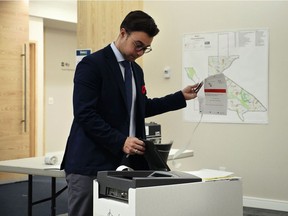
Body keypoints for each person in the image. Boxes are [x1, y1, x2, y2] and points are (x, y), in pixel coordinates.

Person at [60, 10, 199, 216]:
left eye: (146, 48)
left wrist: (179, 96)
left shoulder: (135, 70)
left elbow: (142, 107)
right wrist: (120, 140)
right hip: (89, 163)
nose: (140, 52)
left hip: (124, 164)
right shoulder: (92, 65)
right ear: (123, 33)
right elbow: (84, 114)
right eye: (138, 45)